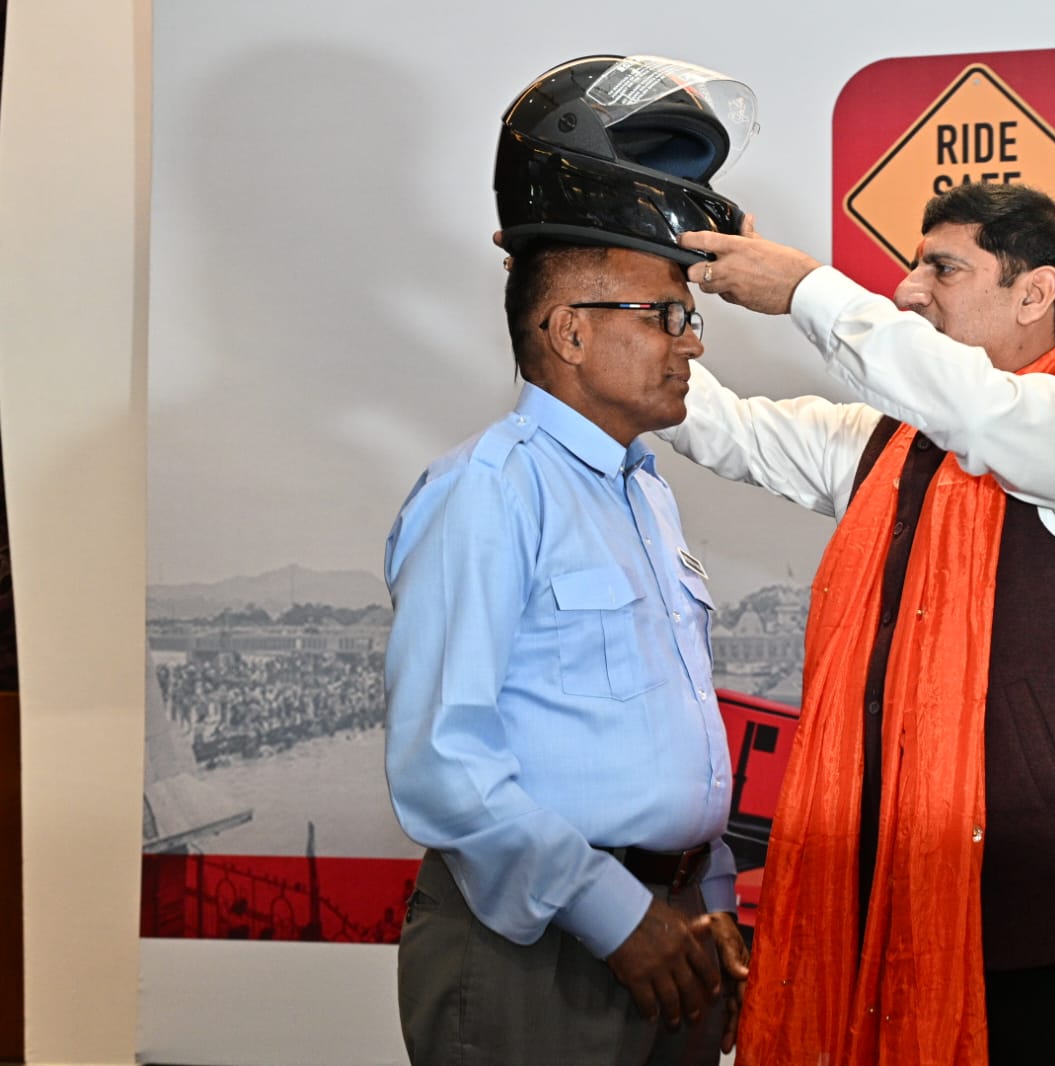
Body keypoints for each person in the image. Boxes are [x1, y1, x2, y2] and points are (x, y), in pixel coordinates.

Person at [663, 181, 1055, 1064]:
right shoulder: (886, 443)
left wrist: (804, 289)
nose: (908, 290)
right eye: (912, 267)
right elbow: (718, 424)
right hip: (889, 904)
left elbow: (978, 412)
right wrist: (632, 290)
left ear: (1035, 292)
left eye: (943, 268)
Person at [383, 55, 758, 1065]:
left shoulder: (645, 492)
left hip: (672, 936)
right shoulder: (487, 491)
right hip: (539, 949)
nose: (691, 343)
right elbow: (443, 764)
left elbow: (669, 733)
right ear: (569, 333)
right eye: (665, 314)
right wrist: (616, 915)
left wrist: (709, 901)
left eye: (690, 315)